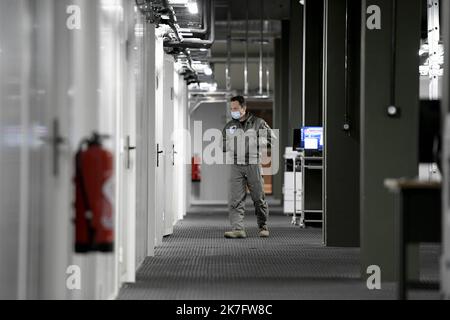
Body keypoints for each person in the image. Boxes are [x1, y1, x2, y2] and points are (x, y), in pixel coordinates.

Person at [222, 96, 274, 239]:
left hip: (253, 163)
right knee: (235, 199)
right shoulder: (230, 126)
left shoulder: (258, 123)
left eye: (235, 108)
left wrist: (254, 141)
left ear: (243, 109)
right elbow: (223, 144)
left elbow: (271, 139)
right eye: (231, 109)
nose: (233, 111)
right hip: (236, 165)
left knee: (258, 197)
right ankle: (238, 228)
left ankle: (263, 225)